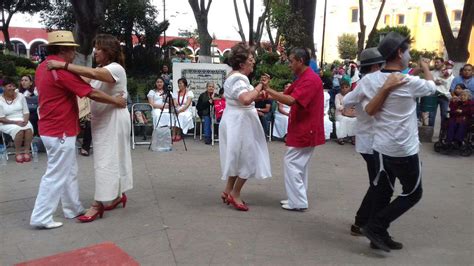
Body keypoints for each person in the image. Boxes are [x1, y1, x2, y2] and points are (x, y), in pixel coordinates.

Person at [30, 31, 126, 229]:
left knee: (68, 171)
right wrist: (115, 100)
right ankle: (41, 215)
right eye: (72, 50)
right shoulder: (59, 70)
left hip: (52, 127)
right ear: (63, 50)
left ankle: (72, 207)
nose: (75, 53)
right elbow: (90, 91)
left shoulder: (43, 66)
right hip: (60, 129)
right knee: (56, 174)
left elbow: (91, 78)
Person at [356, 32, 437, 251]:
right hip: (402, 149)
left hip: (381, 147)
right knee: (413, 193)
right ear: (400, 52)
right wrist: (426, 67)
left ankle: (378, 235)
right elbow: (432, 87)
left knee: (384, 190)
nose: (409, 55)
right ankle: (376, 226)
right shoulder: (409, 82)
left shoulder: (369, 79)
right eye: (408, 51)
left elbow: (364, 106)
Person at [342, 47, 406, 241]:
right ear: (378, 65)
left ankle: (364, 222)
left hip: (374, 142)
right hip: (372, 143)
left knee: (380, 183)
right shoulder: (369, 82)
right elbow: (346, 100)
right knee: (380, 184)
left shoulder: (369, 81)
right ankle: (363, 223)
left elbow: (347, 101)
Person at [263, 48, 325, 211]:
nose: (289, 64)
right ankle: (297, 199)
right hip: (304, 127)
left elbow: (290, 100)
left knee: (292, 162)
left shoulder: (310, 79)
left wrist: (268, 90)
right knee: (299, 165)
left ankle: (298, 201)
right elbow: (285, 94)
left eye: (291, 61)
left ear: (300, 61)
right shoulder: (304, 77)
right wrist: (266, 92)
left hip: (306, 128)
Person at [219, 43, 271, 211]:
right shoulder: (239, 79)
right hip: (240, 123)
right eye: (250, 59)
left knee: (237, 157)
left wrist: (257, 96)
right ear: (242, 64)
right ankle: (235, 193)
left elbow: (244, 99)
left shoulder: (234, 77)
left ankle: (228, 190)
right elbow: (245, 99)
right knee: (249, 158)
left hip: (238, 120)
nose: (253, 61)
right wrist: (259, 87)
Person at [0, 77, 34, 163]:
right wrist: (15, 122)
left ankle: (26, 151)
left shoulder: (21, 96)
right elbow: (1, 118)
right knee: (19, 130)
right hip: (7, 122)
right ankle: (18, 153)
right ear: (3, 87)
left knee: (29, 128)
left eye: (13, 86)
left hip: (22, 119)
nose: (12, 88)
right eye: (9, 86)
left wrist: (25, 120)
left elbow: (26, 112)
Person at [428, 57, 452, 126]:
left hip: (444, 96)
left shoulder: (448, 72)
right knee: (431, 115)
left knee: (444, 114)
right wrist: (434, 81)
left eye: (438, 62)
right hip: (433, 95)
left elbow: (448, 81)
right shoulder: (431, 72)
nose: (436, 64)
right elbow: (428, 81)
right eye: (435, 62)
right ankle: (430, 132)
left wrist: (438, 80)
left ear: (442, 63)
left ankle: (443, 133)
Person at [335, 80, 357, 145]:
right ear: (340, 88)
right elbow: (338, 106)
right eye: (343, 87)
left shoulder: (352, 95)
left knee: (355, 120)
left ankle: (353, 137)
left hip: (351, 114)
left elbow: (355, 105)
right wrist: (346, 107)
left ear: (349, 88)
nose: (344, 89)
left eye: (346, 87)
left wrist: (352, 108)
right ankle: (340, 137)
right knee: (344, 119)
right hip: (340, 114)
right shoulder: (338, 96)